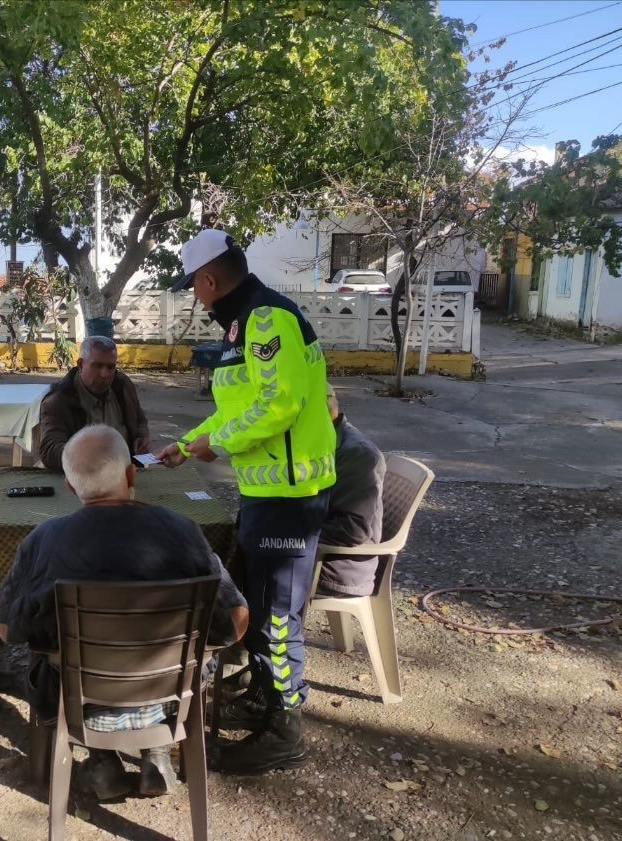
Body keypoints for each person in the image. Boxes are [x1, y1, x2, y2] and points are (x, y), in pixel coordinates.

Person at [155, 229, 336, 776]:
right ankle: (266, 690)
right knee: (258, 602)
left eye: (194, 287)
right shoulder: (243, 324)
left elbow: (280, 404)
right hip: (266, 489)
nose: (195, 297)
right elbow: (239, 405)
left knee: (277, 614)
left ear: (209, 279)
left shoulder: (266, 319)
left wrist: (220, 443)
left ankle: (286, 727)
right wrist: (188, 445)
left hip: (291, 492)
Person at [0, 424, 248, 799]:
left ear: (72, 487)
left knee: (38, 657)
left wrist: (58, 654)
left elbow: (5, 626)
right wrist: (193, 655)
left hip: (79, 700)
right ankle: (157, 753)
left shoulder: (44, 539)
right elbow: (236, 620)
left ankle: (101, 762)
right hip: (169, 699)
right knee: (201, 655)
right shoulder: (183, 530)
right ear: (130, 474)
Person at [37, 335, 150, 471]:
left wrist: (141, 436)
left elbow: (139, 419)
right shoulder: (58, 400)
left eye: (110, 367)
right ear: (80, 365)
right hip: (81, 482)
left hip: (126, 476)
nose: (104, 374)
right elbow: (49, 451)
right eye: (98, 366)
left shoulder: (122, 385)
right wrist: (88, 456)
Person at [316, 388, 387, 598]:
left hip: (337, 566)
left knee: (251, 564)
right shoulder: (322, 442)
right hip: (319, 552)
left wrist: (287, 528)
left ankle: (265, 628)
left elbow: (352, 530)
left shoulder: (358, 454)